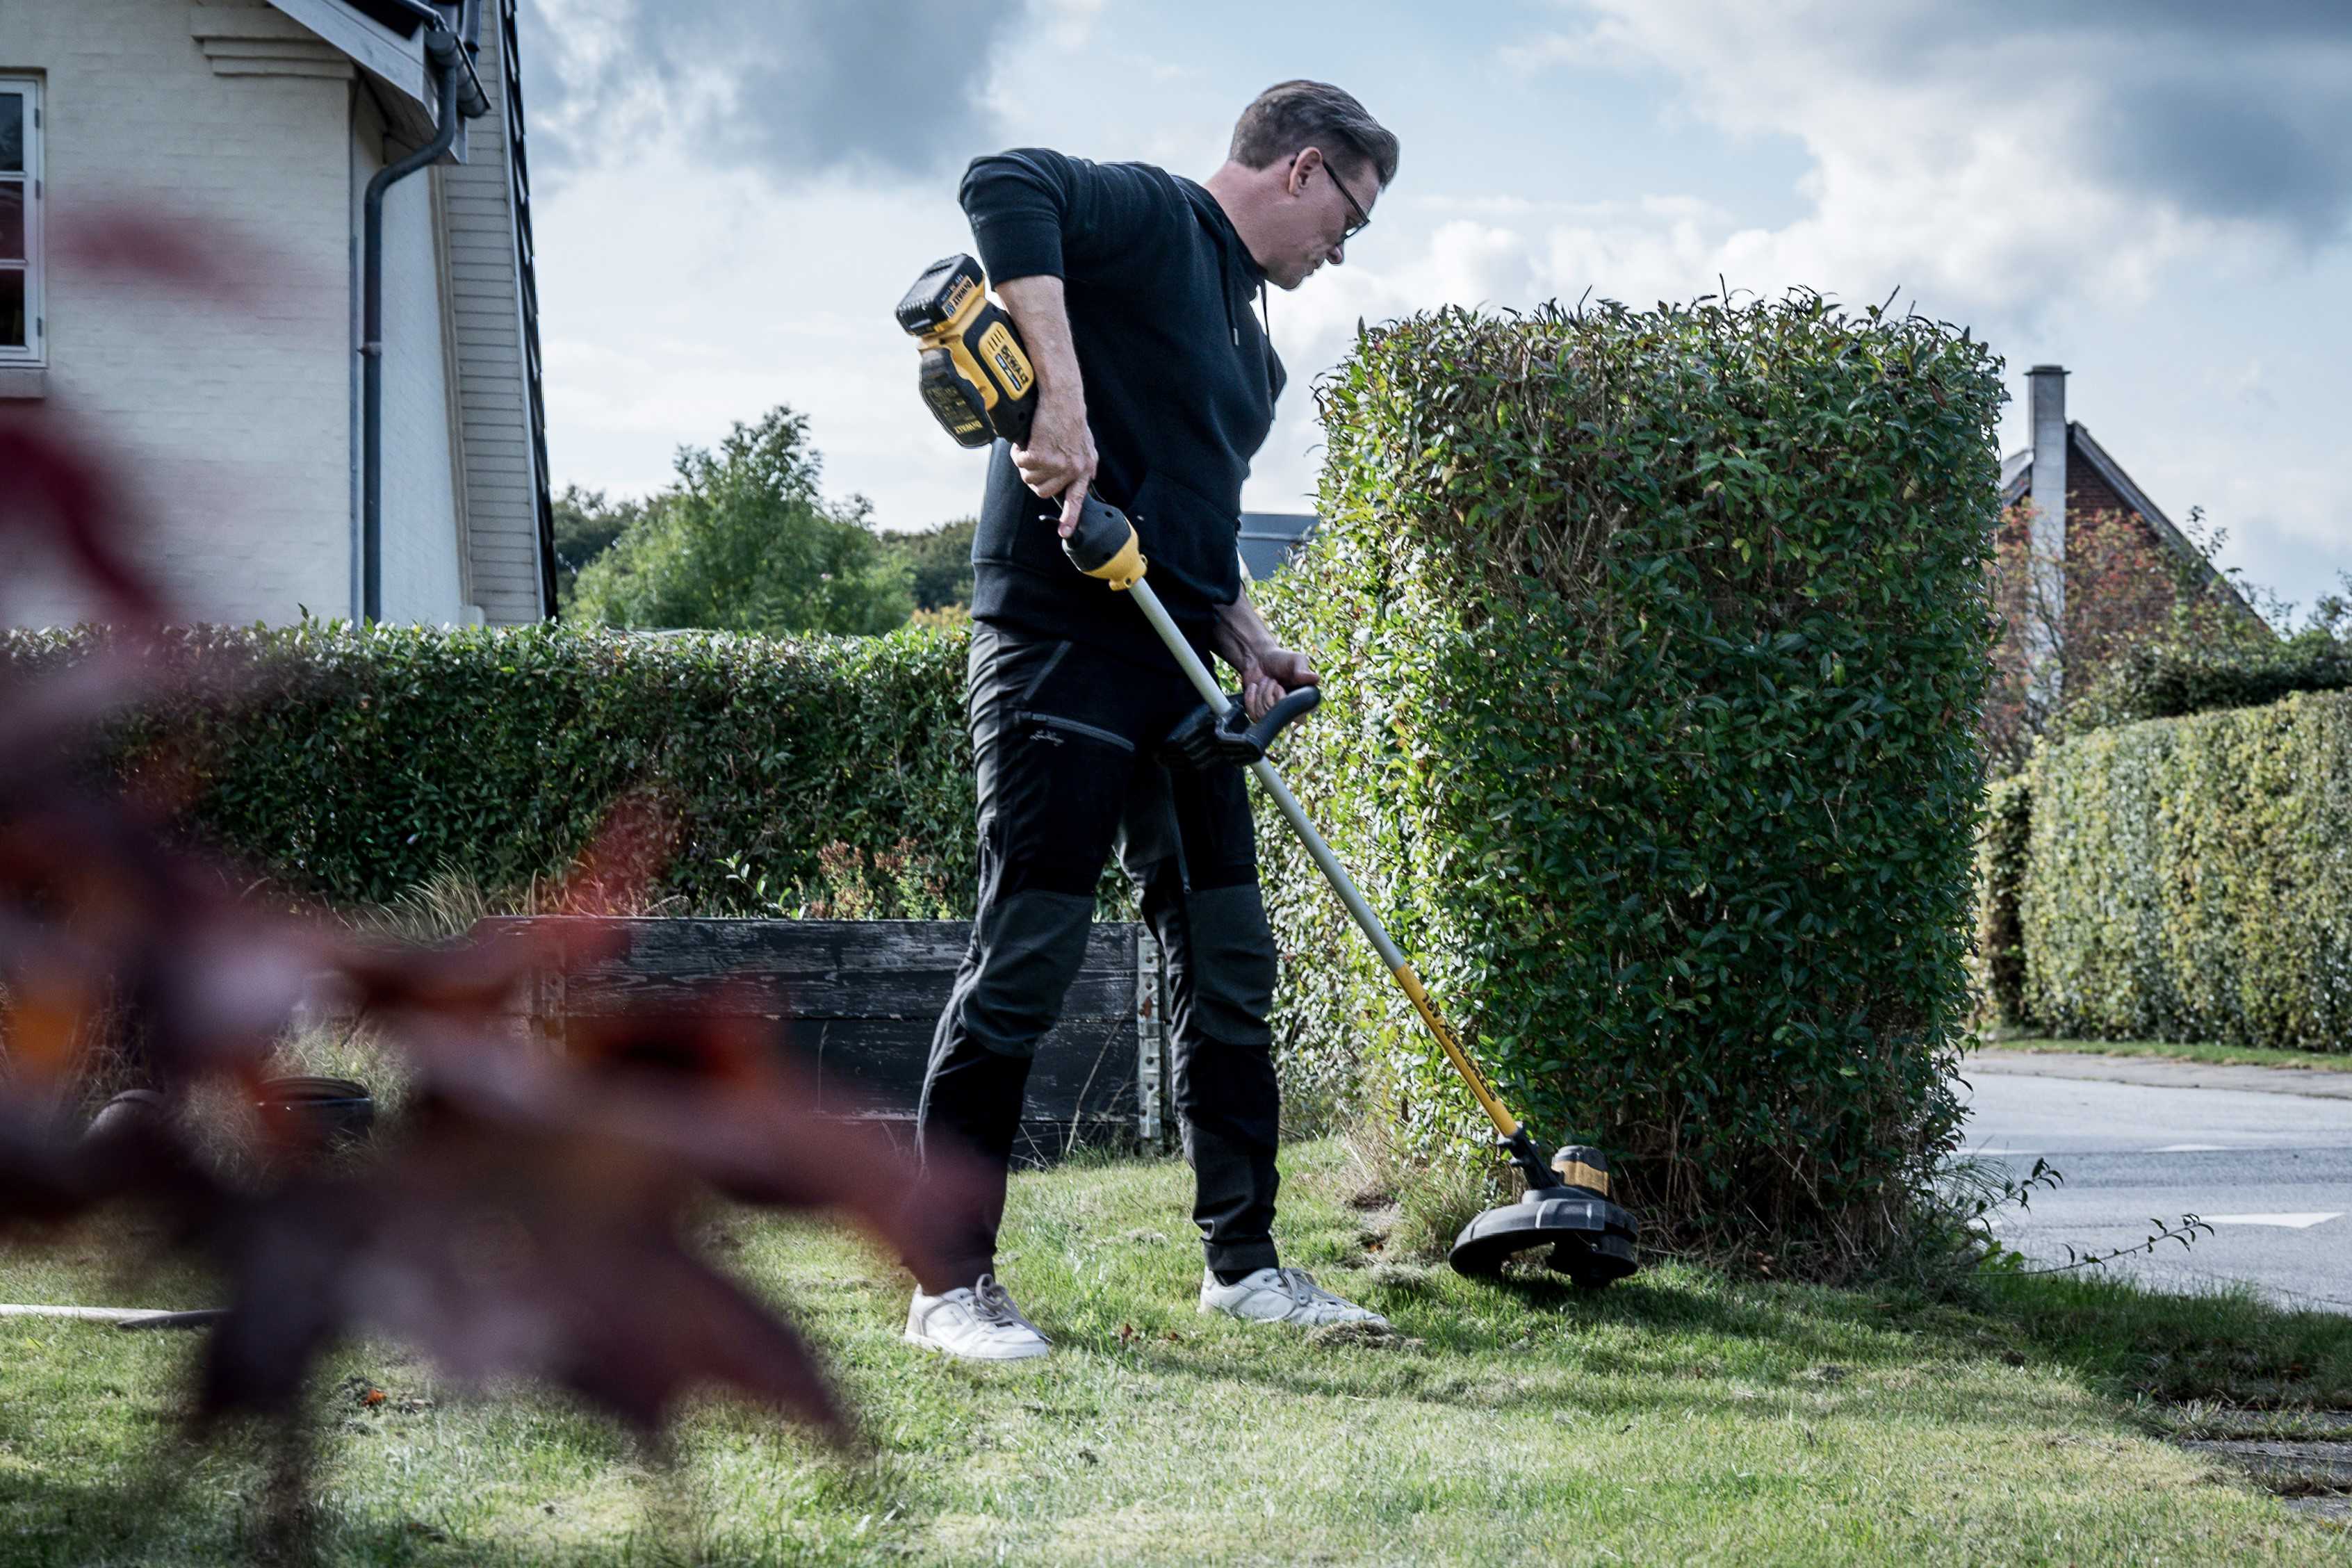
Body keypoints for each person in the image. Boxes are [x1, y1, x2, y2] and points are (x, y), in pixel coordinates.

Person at [906, 81, 1401, 1361]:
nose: (1343, 248)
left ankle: (1244, 1266)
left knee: (1230, 960)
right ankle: (947, 1288)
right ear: (1300, 169)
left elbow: (1191, 519)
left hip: (1179, 668)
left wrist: (1243, 631)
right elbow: (1004, 181)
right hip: (1057, 649)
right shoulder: (1155, 220)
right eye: (1349, 216)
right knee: (1025, 960)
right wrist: (1057, 404)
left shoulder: (1257, 351)